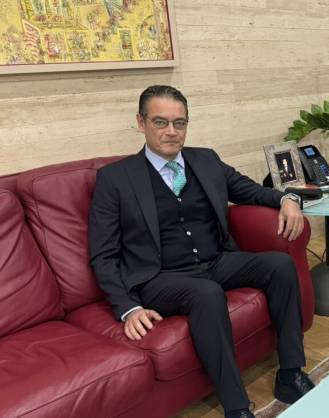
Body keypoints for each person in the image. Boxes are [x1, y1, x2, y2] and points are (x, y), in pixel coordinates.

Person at [88, 85, 313, 418]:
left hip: (216, 260)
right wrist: (127, 308)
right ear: (141, 122)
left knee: (280, 265)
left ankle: (291, 375)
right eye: (160, 122)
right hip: (160, 277)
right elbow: (103, 253)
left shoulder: (205, 159)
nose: (171, 131)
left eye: (179, 123)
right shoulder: (115, 178)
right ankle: (236, 407)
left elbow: (249, 190)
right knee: (207, 294)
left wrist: (287, 199)